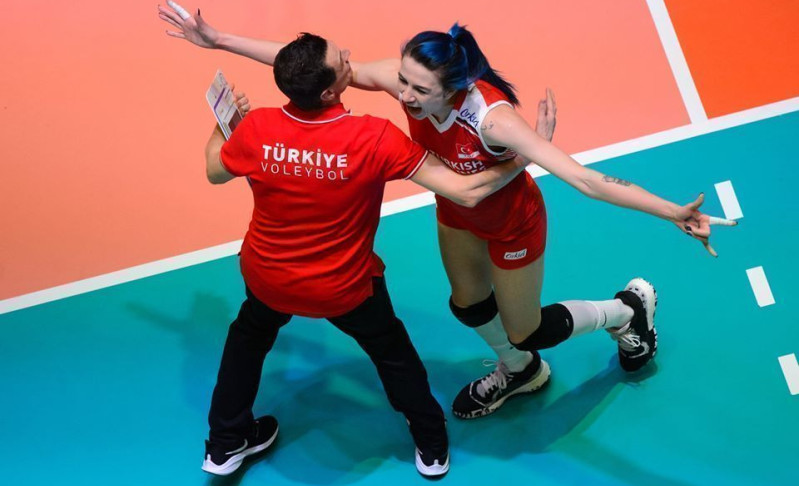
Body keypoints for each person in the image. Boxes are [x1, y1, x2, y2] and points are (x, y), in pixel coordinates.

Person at [159, 3, 736, 421]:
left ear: (453, 87)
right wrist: (219, 40)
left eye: (417, 90)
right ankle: (520, 371)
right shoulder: (409, 84)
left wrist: (671, 212)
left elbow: (585, 178)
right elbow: (320, 75)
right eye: (402, 82)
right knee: (467, 305)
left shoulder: (492, 120)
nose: (403, 95)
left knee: (527, 327)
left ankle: (627, 312)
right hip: (459, 211)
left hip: (512, 224)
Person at [185, 29, 546, 478]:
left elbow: (214, 169)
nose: (349, 56)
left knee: (247, 340)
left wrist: (223, 126)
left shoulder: (256, 128)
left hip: (267, 277)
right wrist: (524, 156)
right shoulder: (373, 137)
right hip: (344, 285)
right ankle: (431, 443)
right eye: (342, 60)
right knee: (392, 352)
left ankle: (224, 444)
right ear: (329, 91)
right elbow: (465, 191)